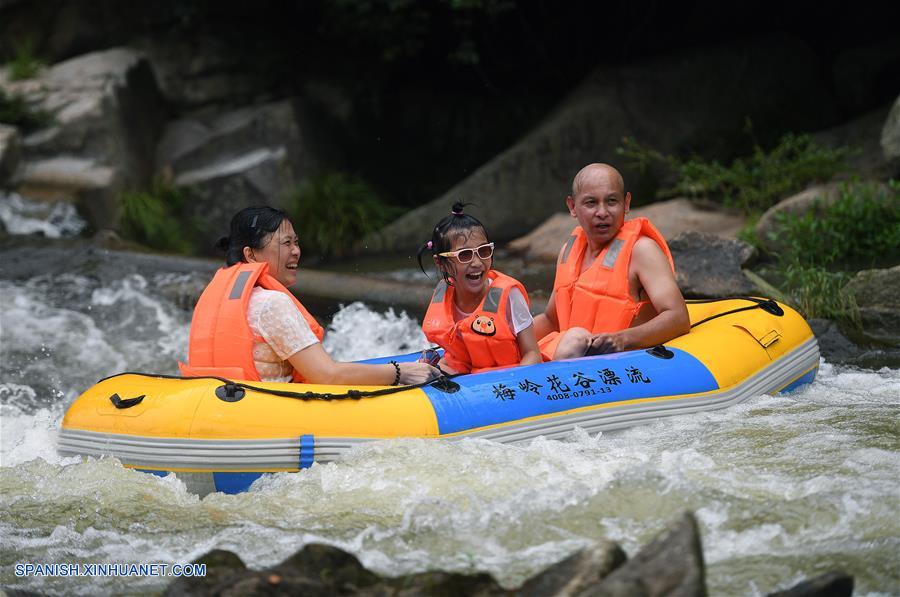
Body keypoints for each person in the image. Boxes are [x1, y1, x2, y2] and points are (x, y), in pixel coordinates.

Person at [180, 206, 440, 385]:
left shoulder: (218, 296)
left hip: (224, 410)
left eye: (296, 242)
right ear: (250, 255)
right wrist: (400, 372)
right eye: (286, 243)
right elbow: (327, 375)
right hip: (264, 420)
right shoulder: (271, 303)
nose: (296, 252)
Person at [533, 163, 690, 359]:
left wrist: (622, 339)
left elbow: (678, 317)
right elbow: (551, 320)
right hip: (574, 361)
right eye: (591, 203)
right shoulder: (568, 251)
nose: (602, 212)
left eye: (612, 201)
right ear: (572, 207)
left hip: (621, 366)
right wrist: (508, 339)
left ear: (627, 203)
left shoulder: (642, 251)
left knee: (573, 341)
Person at [417, 202, 542, 374]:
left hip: (507, 379)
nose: (477, 263)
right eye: (465, 255)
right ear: (441, 263)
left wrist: (516, 384)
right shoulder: (443, 294)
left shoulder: (508, 295)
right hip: (463, 376)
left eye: (483, 251)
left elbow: (532, 354)